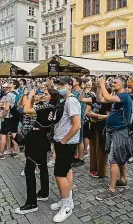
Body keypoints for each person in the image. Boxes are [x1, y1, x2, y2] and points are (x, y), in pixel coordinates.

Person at [15, 88, 60, 214]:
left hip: (36, 140)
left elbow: (26, 110)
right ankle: (44, 192)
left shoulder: (46, 108)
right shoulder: (51, 107)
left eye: (45, 94)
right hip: (42, 139)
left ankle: (31, 203)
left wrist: (30, 96)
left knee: (29, 170)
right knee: (43, 166)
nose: (42, 95)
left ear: (51, 97)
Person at [95, 77, 133, 200]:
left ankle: (111, 189)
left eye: (115, 82)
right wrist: (99, 87)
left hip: (119, 131)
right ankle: (123, 179)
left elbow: (106, 98)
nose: (112, 83)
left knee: (114, 159)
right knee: (121, 156)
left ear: (123, 84)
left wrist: (102, 83)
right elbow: (100, 99)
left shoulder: (124, 96)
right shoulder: (116, 96)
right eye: (112, 82)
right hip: (113, 130)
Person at [49, 77, 81, 223]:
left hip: (65, 143)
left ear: (70, 85)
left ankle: (67, 205)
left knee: (59, 173)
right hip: (62, 141)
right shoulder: (65, 100)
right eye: (58, 84)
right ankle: (66, 199)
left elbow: (77, 125)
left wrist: (63, 141)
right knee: (66, 170)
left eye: (62, 84)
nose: (59, 86)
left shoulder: (71, 101)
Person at [0, 81, 19, 159]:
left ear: (14, 85)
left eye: (10, 82)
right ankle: (14, 152)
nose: (8, 83)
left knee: (3, 134)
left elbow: (7, 108)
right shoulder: (17, 94)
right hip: (16, 116)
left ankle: (1, 153)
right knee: (14, 133)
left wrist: (2, 116)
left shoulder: (9, 94)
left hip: (8, 117)